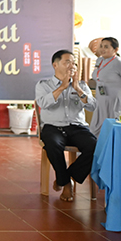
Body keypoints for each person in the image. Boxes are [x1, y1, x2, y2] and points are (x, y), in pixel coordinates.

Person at [35, 50, 97, 202]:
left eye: (74, 63)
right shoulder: (44, 85)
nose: (72, 66)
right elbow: (43, 103)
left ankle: (65, 177)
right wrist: (62, 87)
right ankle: (66, 184)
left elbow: (92, 106)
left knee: (95, 146)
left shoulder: (81, 85)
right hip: (53, 127)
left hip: (77, 127)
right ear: (55, 65)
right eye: (67, 62)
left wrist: (78, 89)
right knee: (53, 144)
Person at [90, 37, 121, 136]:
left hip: (113, 102)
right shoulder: (99, 61)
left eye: (106, 47)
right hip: (100, 101)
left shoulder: (119, 63)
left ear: (115, 49)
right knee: (95, 129)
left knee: (110, 130)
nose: (102, 49)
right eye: (101, 46)